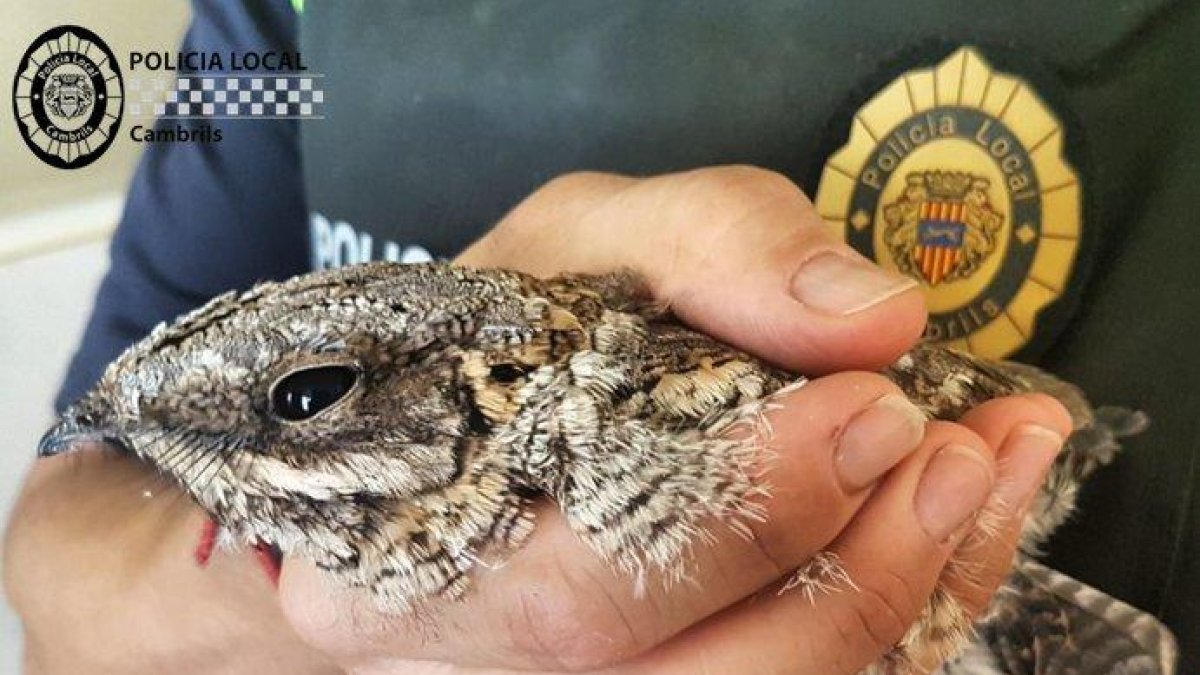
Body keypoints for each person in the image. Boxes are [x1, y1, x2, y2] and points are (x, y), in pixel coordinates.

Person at [6, 1, 1196, 672]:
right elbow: (56, 556)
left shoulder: (630, 414)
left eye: (307, 396)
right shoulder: (270, 28)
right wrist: (305, 605)